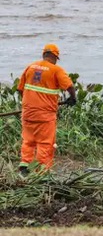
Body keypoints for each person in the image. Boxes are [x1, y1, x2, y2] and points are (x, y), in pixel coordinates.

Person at [17, 43, 76, 177]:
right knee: (45, 143)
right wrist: (73, 98)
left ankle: (24, 167)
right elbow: (70, 86)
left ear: (44, 55)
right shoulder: (56, 70)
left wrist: (29, 104)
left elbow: (20, 89)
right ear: (55, 57)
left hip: (28, 113)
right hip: (45, 115)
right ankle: (42, 173)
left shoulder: (30, 67)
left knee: (28, 140)